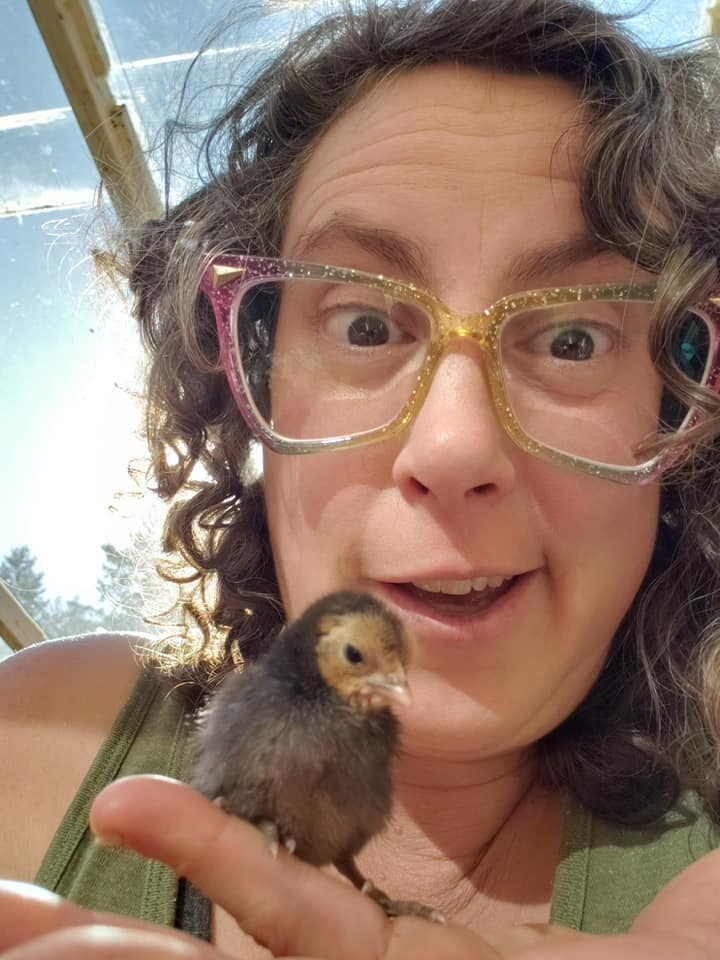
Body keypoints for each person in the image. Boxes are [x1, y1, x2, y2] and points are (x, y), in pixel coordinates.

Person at [2, 0, 720, 956]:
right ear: (248, 386)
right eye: (365, 326)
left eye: (575, 339)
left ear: (684, 418)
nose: (454, 447)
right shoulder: (30, 740)